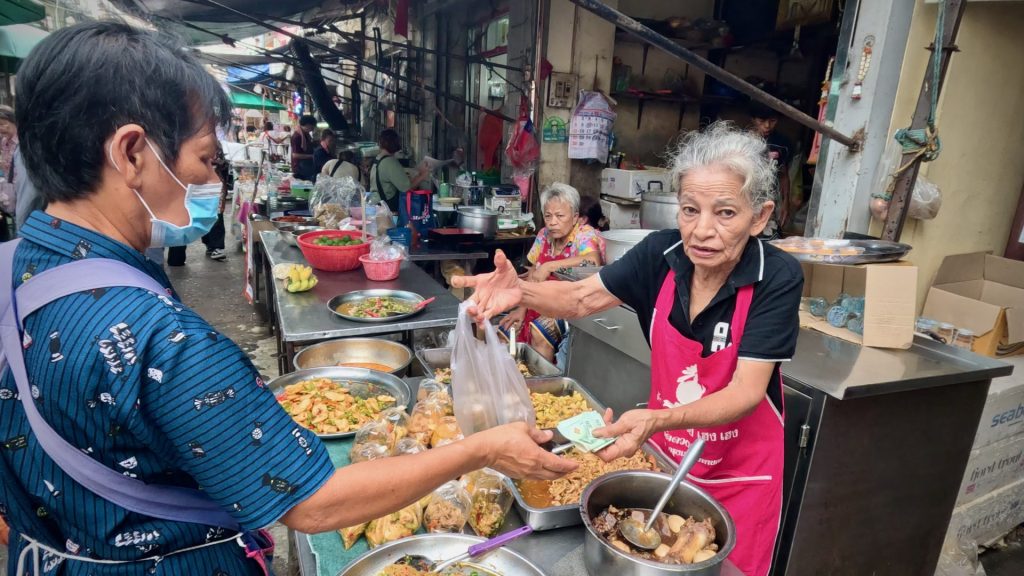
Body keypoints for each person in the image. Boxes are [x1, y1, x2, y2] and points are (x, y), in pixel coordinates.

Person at [1, 21, 575, 576]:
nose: (212, 182)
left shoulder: (14, 267)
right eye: (204, 159)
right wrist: (481, 449)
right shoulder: (162, 337)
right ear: (130, 153)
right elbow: (313, 502)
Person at [455, 122, 803, 576]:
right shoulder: (661, 255)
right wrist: (520, 292)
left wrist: (656, 419)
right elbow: (580, 299)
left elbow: (745, 392)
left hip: (740, 477)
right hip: (666, 457)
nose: (702, 230)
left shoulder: (776, 277)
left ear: (758, 217)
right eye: (689, 209)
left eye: (725, 213)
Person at [499, 183, 605, 364]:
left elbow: (594, 260)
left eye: (560, 216)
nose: (552, 222)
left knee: (540, 331)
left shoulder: (584, 234)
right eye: (548, 216)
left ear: (575, 217)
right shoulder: (543, 234)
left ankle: (541, 386)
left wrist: (549, 267)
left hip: (570, 302)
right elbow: (533, 273)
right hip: (540, 298)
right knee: (506, 330)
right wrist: (521, 309)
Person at [166, 148, 231, 265]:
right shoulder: (179, 142)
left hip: (207, 183)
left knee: (214, 213)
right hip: (186, 182)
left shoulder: (211, 143)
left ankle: (214, 246)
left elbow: (221, 161)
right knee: (182, 216)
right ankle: (176, 256)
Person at [749, 102, 794, 237]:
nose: (767, 125)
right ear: (753, 119)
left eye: (772, 121)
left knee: (769, 236)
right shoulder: (742, 141)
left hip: (769, 198)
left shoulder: (782, 144)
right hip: (745, 196)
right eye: (762, 121)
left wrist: (785, 203)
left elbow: (783, 175)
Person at [369, 128, 429, 213]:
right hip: (385, 209)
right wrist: (423, 175)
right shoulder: (390, 162)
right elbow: (407, 188)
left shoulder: (378, 158)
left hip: (375, 203)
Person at [0, 106, 17, 240]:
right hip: (9, 188)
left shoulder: (22, 141)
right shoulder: (4, 142)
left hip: (22, 187)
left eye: (2, 124)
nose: (1, 129)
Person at [290, 115, 317, 181]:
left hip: (306, 164)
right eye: (313, 126)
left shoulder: (305, 135)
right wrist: (312, 156)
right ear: (307, 125)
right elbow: (295, 155)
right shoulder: (297, 136)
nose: (314, 128)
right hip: (300, 167)